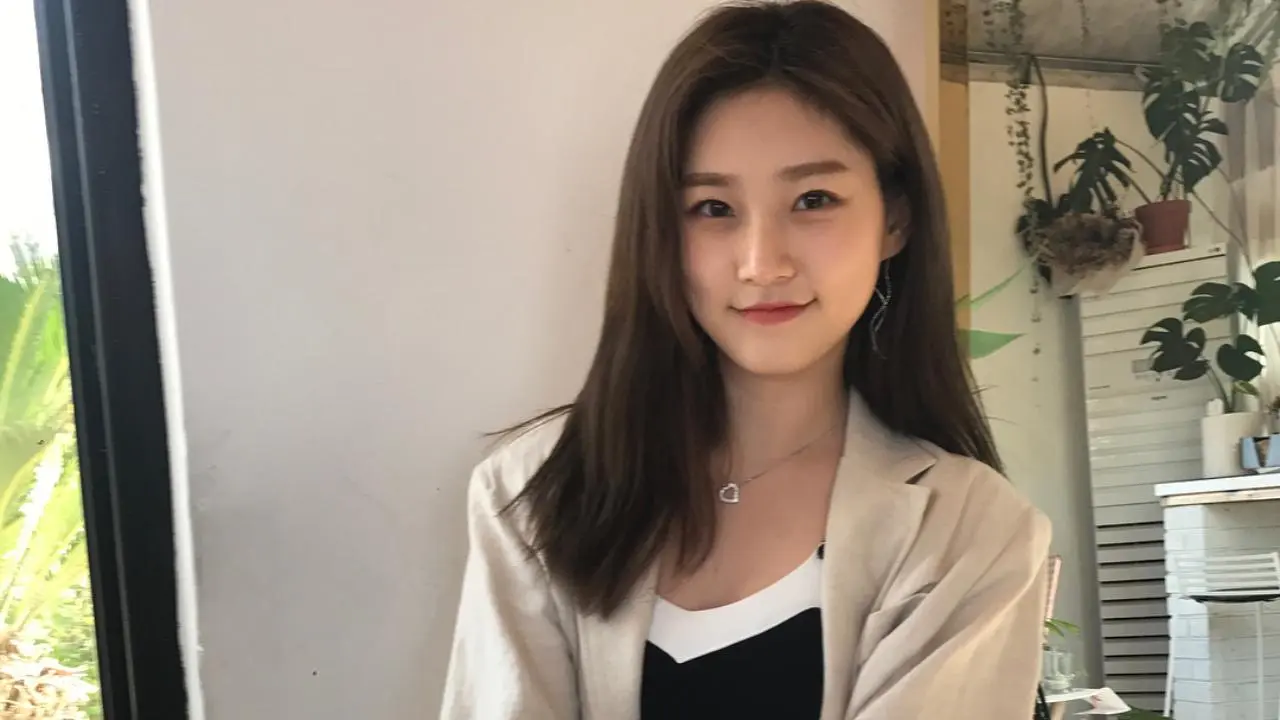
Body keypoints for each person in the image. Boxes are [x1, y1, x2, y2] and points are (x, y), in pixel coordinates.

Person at [440, 2, 1052, 718]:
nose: (762, 263)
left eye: (813, 199)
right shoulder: (536, 495)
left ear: (895, 219)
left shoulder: (969, 531)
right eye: (712, 208)